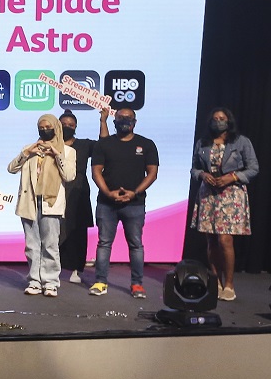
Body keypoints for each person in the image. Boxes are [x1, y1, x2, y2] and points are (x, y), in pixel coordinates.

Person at [89, 107, 159, 298]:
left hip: (135, 204)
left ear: (135, 122)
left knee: (136, 245)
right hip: (106, 203)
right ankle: (100, 282)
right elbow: (96, 172)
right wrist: (108, 193)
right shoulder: (104, 144)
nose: (124, 121)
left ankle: (137, 284)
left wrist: (134, 193)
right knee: (104, 243)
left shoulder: (146, 144)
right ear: (114, 121)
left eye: (128, 118)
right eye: (120, 118)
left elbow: (152, 173)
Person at [191, 106, 259, 301]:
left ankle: (229, 284)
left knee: (225, 240)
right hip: (208, 194)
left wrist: (233, 177)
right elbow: (194, 168)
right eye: (215, 119)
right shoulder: (203, 142)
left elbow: (253, 168)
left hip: (231, 195)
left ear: (229, 121)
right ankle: (216, 282)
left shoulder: (241, 142)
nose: (218, 122)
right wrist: (202, 175)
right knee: (211, 241)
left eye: (222, 118)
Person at [8, 114, 77, 297]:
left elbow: (69, 176)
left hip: (50, 202)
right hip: (29, 201)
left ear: (56, 128)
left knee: (50, 244)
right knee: (32, 245)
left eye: (48, 127)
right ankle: (34, 281)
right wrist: (26, 153)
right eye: (41, 127)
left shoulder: (67, 151)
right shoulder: (30, 149)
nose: (45, 130)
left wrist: (57, 154)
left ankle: (50, 282)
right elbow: (11, 169)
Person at [57, 108, 110, 284]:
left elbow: (104, 145)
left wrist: (103, 121)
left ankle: (76, 269)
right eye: (63, 124)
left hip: (78, 191)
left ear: (76, 127)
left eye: (71, 125)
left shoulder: (84, 144)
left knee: (78, 231)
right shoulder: (49, 144)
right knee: (53, 230)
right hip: (55, 188)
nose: (67, 127)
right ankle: (52, 267)